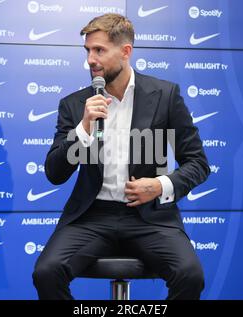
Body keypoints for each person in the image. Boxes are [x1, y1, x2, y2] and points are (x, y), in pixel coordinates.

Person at [32, 13, 210, 300]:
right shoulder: (75, 104)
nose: (91, 59)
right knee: (46, 272)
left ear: (125, 51)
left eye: (99, 50)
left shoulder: (165, 95)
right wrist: (83, 128)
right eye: (88, 51)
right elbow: (55, 173)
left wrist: (160, 185)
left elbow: (198, 163)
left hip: (150, 217)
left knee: (190, 275)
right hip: (92, 216)